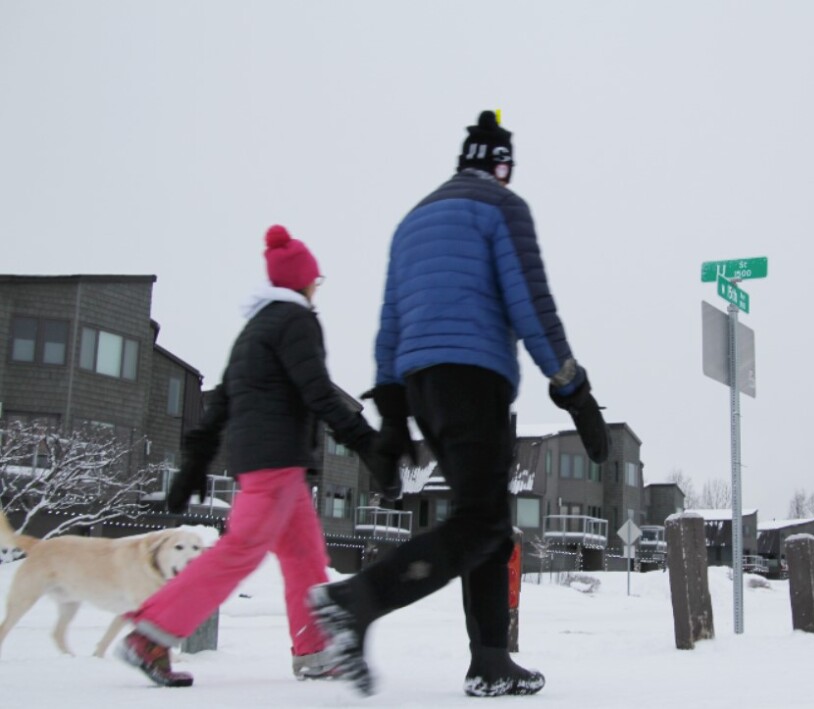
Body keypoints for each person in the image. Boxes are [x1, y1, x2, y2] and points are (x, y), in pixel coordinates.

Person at [308, 111, 610, 697]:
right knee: (481, 521)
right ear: (500, 165)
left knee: (488, 519)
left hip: (422, 385)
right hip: (474, 378)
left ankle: (490, 660)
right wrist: (573, 389)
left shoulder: (411, 221)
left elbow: (389, 326)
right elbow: (532, 305)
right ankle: (355, 600)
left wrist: (392, 420)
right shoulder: (502, 209)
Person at [116, 225, 401, 687]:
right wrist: (368, 444)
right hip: (276, 464)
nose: (316, 289)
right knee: (240, 551)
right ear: (301, 282)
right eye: (315, 281)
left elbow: (222, 400)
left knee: (307, 559)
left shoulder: (255, 329)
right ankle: (152, 633)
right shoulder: (295, 322)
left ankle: (312, 652)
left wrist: (195, 461)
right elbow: (319, 393)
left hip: (264, 462)